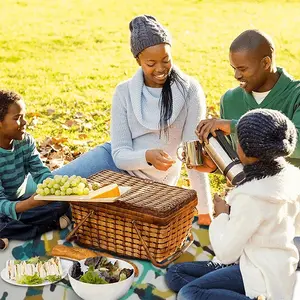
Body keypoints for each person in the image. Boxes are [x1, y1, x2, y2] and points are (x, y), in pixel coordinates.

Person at [45, 15, 212, 225]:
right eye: (151, 63)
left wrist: (205, 211)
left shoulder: (189, 90)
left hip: (152, 184)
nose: (160, 68)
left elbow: (193, 156)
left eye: (166, 60)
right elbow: (119, 155)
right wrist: (147, 156)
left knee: (96, 219)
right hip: (113, 163)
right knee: (48, 188)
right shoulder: (124, 92)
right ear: (138, 61)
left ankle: (64, 215)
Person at [165, 108, 300, 300]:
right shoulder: (292, 178)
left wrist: (222, 215)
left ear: (244, 150)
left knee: (189, 293)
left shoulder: (251, 197)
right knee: (175, 274)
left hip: (259, 276)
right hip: (275, 267)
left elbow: (226, 252)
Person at [0, 90, 70, 244]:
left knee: (63, 204)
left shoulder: (25, 141)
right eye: (17, 118)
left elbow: (40, 172)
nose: (25, 122)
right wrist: (30, 204)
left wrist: (54, 189)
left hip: (20, 201)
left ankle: (12, 232)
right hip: (4, 207)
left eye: (24, 116)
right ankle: (46, 226)